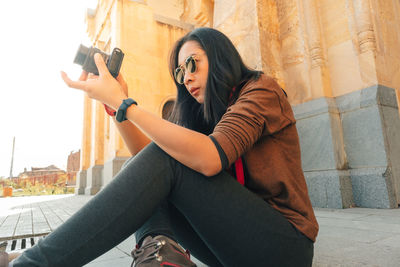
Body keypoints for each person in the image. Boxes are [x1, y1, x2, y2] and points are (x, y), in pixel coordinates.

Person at [2, 27, 318, 267]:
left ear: (220, 56)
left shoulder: (261, 92)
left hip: (285, 248)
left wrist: (124, 102)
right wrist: (116, 109)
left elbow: (209, 159)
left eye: (192, 64)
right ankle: (161, 257)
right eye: (180, 73)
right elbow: (147, 168)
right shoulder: (207, 114)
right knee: (151, 172)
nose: (187, 78)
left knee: (170, 161)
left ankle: (31, 263)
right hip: (235, 246)